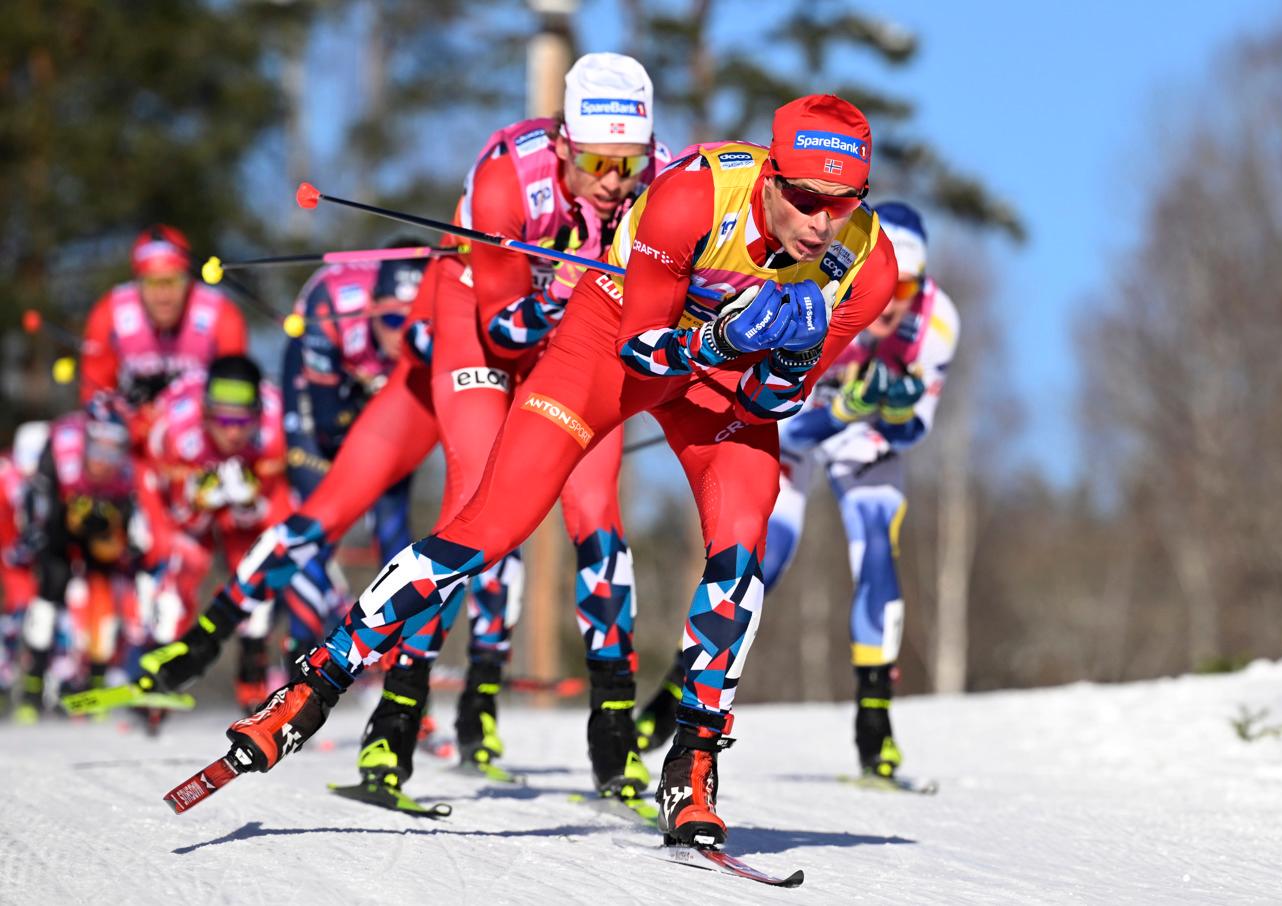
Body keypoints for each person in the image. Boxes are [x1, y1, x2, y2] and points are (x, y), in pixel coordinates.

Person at [224, 93, 898, 848]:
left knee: (744, 543)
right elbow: (643, 349)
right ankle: (315, 682)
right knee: (490, 526)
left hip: (719, 381)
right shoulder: (692, 197)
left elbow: (772, 400)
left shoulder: (868, 265)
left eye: (842, 205)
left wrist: (794, 356)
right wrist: (722, 338)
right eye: (805, 198)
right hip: (614, 340)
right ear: (772, 177)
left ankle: (694, 762)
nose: (820, 223)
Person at [139, 53, 667, 804]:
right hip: (479, 330)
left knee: (597, 516)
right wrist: (581, 286)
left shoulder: (665, 182)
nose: (616, 182)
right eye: (596, 162)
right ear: (561, 144)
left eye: (631, 163)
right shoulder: (507, 177)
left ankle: (614, 744)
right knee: (472, 510)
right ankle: (390, 728)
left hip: (576, 341)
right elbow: (507, 330)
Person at [634, 202, 959, 785]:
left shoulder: (937, 321)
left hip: (865, 443)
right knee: (762, 561)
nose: (894, 303)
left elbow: (915, 430)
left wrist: (895, 410)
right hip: (801, 429)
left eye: (908, 287)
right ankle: (669, 703)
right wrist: (846, 407)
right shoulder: (830, 288)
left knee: (878, 552)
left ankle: (874, 727)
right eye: (892, 284)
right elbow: (788, 420)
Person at [278, 250, 429, 658]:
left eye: (415, 323)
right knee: (317, 514)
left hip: (376, 388)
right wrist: (365, 404)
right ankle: (299, 650)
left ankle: (402, 666)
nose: (402, 336)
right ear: (372, 310)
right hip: (322, 382)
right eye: (393, 322)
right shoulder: (333, 303)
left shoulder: (432, 331)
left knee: (393, 525)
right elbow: (327, 424)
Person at [136, 355, 290, 713]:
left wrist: (248, 505)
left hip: (246, 514)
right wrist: (197, 499)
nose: (233, 432)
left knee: (259, 566)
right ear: (205, 413)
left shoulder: (274, 432)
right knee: (183, 563)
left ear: (258, 415)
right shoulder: (175, 431)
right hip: (181, 504)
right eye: (222, 420)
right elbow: (177, 519)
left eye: (242, 421)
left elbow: (276, 516)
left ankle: (253, 671)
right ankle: (157, 668)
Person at [16, 397, 139, 723]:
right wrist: (44, 528)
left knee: (104, 586)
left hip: (98, 520)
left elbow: (125, 529)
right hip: (58, 513)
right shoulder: (60, 449)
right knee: (52, 584)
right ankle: (33, 685)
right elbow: (37, 502)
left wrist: (114, 532)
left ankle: (95, 682)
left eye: (114, 449)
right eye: (98, 447)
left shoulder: (125, 473)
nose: (104, 459)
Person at [81, 226, 248, 446]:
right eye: (152, 282)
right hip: (132, 446)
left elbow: (235, 397)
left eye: (173, 281)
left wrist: (179, 418)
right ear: (137, 282)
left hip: (199, 444)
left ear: (189, 280)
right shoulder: (109, 314)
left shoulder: (220, 315)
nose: (163, 296)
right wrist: (131, 422)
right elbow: (94, 395)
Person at [0, 423, 48, 711]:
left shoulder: (47, 478)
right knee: (14, 620)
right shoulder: (7, 474)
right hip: (10, 558)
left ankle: (40, 685)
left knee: (37, 617)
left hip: (29, 562)